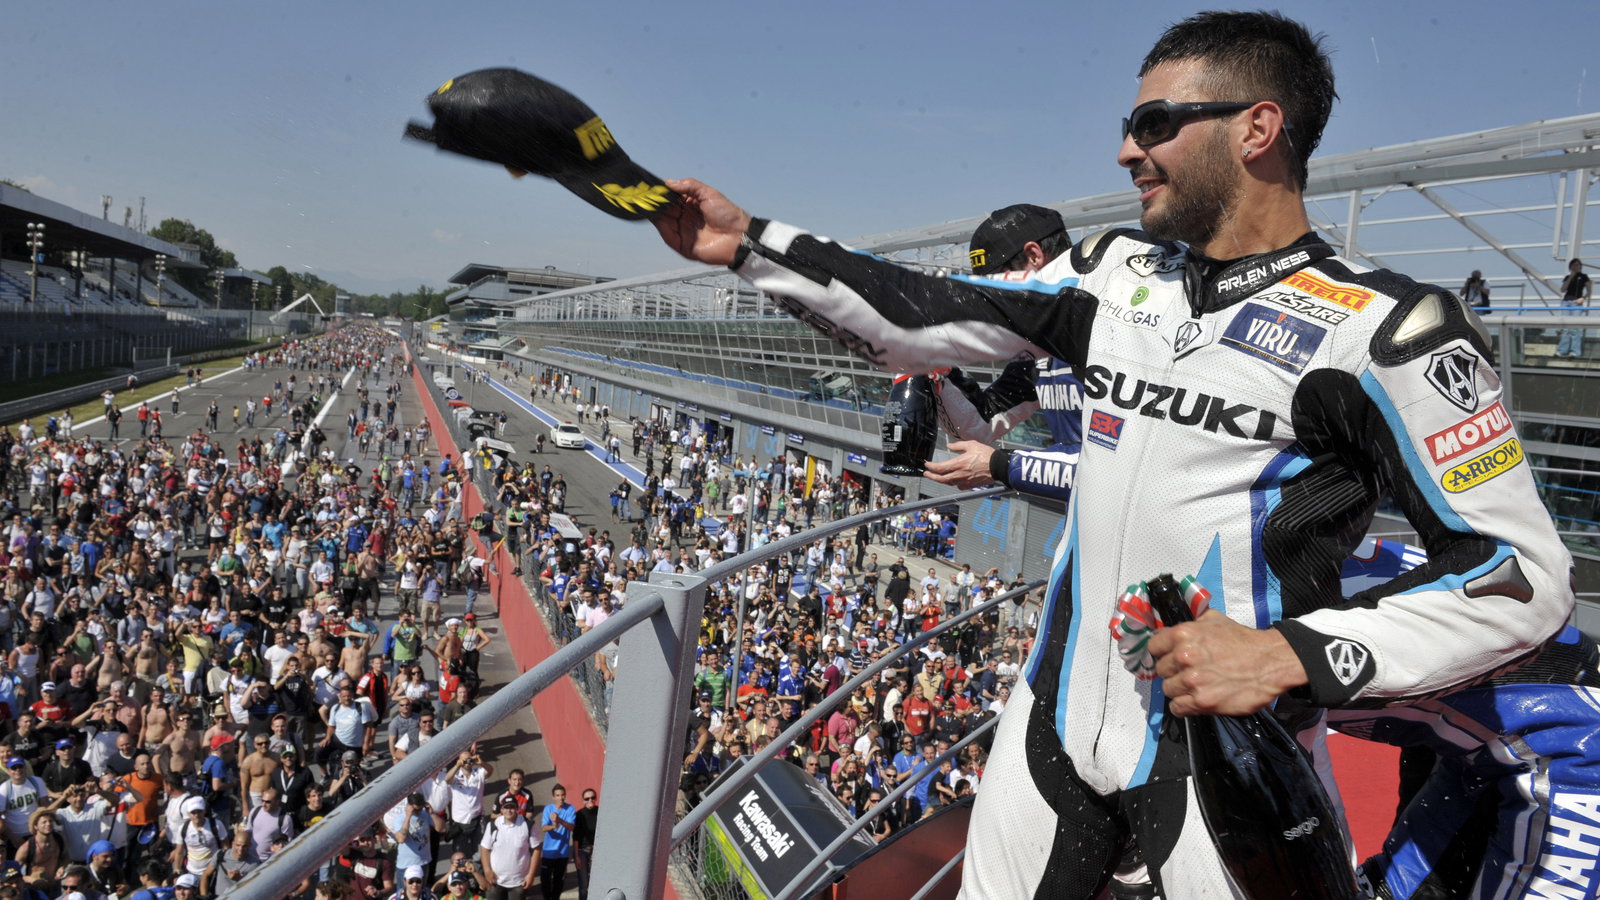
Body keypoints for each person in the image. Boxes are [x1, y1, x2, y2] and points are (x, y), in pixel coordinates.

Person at [647, 11, 1573, 896]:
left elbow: (1523, 578)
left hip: (1231, 756)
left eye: (1154, 123)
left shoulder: (1390, 331)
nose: (1128, 150)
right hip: (1050, 725)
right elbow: (921, 320)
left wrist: (1288, 655)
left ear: (1258, 129)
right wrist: (747, 245)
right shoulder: (1110, 272)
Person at [926, 204, 1082, 501]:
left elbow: (1122, 471)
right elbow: (977, 428)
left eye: (999, 283)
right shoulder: (1037, 347)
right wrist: (937, 372)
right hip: (1084, 529)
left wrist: (1001, 465)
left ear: (1035, 256)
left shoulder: (1116, 322)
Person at [535, 785, 575, 900]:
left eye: (563, 795)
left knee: (559, 882)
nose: (561, 798)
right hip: (548, 852)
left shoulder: (570, 809)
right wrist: (553, 826)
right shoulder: (548, 808)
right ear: (553, 797)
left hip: (563, 853)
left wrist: (559, 820)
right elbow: (543, 828)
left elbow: (572, 827)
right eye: (558, 795)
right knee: (545, 880)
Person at [1557, 257, 1591, 358]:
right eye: (1573, 265)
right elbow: (1563, 290)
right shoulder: (1568, 277)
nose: (1575, 267)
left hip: (1577, 302)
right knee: (1566, 327)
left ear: (1580, 266)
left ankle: (1575, 351)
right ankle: (1562, 350)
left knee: (1575, 327)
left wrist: (1583, 298)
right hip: (1566, 302)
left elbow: (1589, 291)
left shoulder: (1584, 277)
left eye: (1577, 265)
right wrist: (1571, 276)